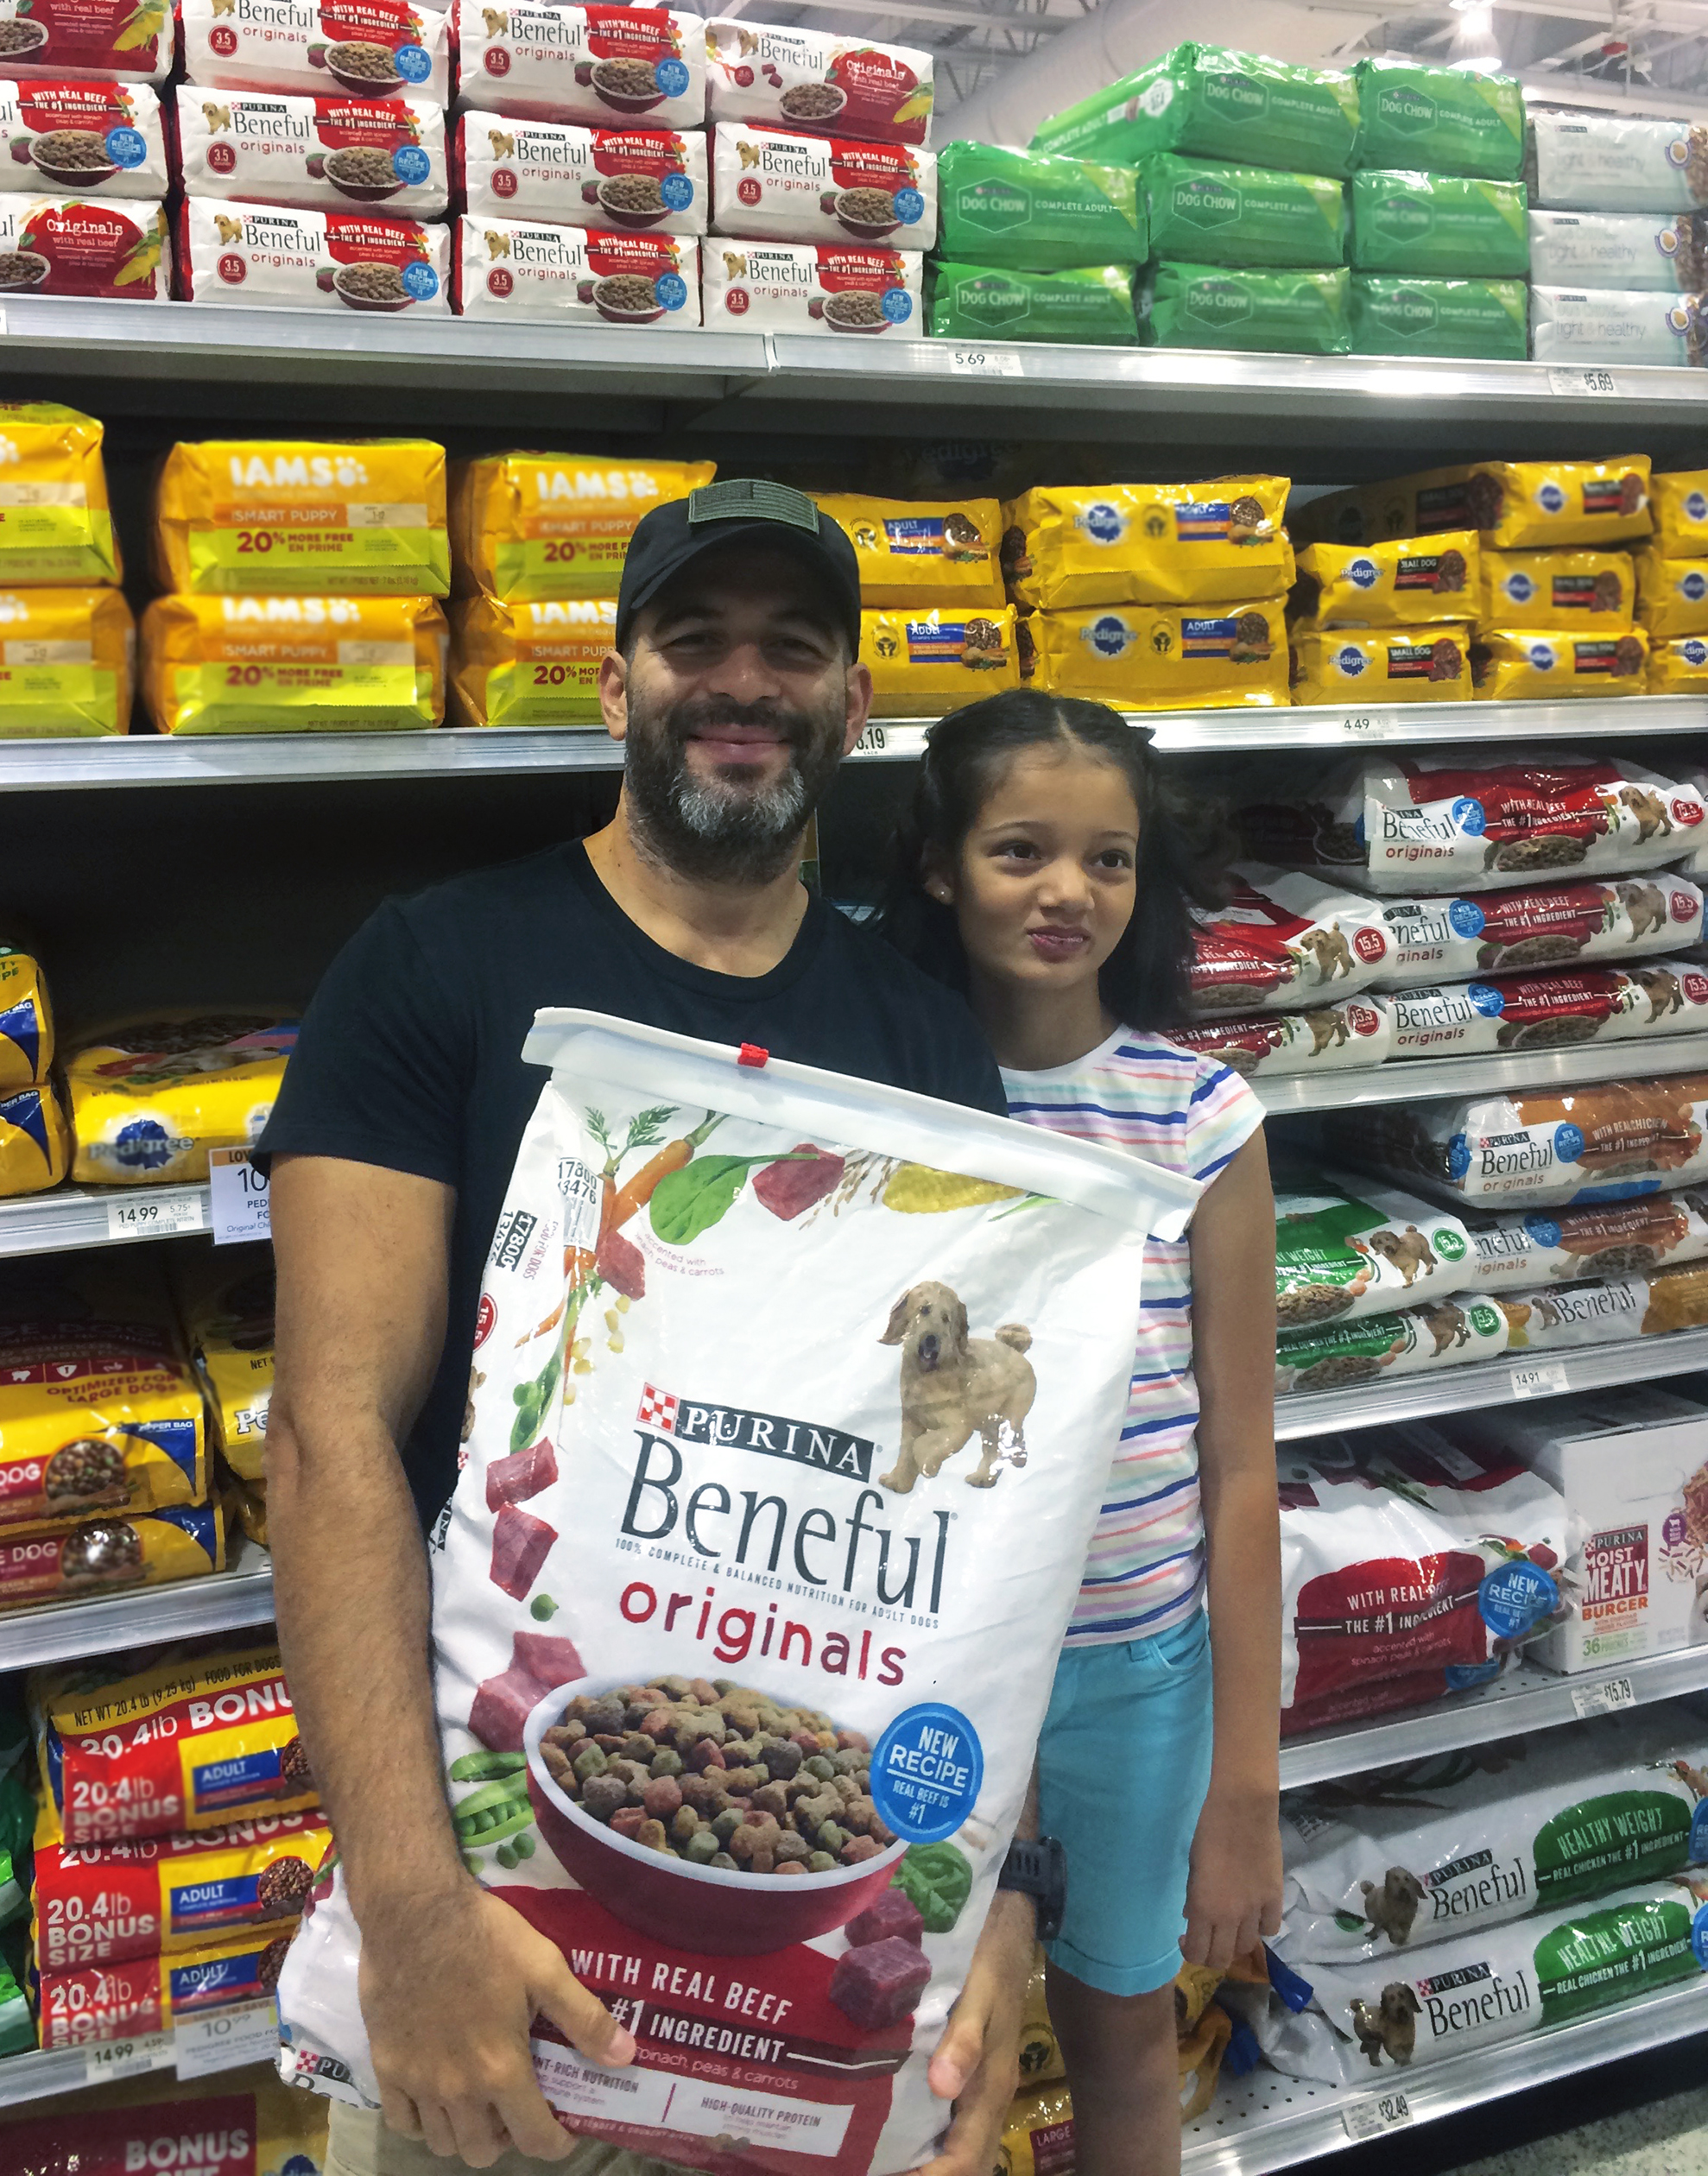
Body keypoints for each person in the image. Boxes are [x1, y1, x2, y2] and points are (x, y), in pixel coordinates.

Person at [259, 481, 1036, 2176]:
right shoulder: (432, 968)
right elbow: (324, 1440)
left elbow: (975, 1534)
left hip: (813, 1959)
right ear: (617, 689)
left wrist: (993, 1901)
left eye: (791, 649)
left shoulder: (921, 1046)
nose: (741, 683)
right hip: (494, 1923)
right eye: (694, 642)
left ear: (852, 704)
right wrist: (406, 1908)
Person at [878, 690, 1281, 2176]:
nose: (1067, 893)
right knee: (912, 2043)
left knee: (1119, 2042)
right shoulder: (882, 1101)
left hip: (1131, 1674)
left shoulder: (1198, 1116)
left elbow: (1242, 1470)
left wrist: (1246, 1782)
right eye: (1020, 851)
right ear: (936, 865)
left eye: (1107, 861)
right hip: (917, 1657)